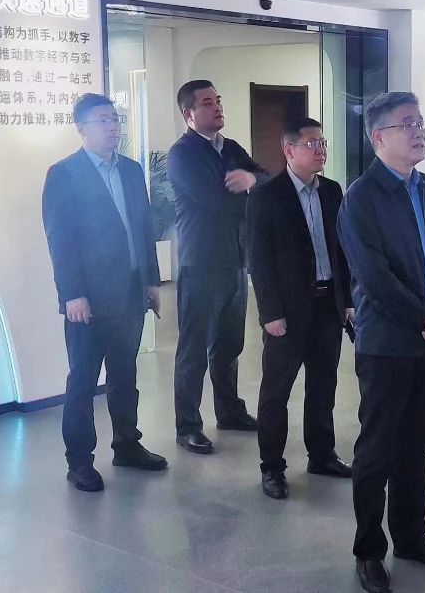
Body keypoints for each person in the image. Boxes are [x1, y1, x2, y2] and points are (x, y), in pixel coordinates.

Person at [338, 92, 425, 593]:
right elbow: (374, 277)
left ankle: (411, 537)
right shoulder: (361, 197)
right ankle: (369, 550)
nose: (419, 132)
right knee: (377, 452)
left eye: (420, 123)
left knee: (416, 446)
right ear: (379, 137)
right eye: (407, 124)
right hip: (387, 343)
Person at [41, 92, 168, 492]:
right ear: (81, 128)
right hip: (89, 300)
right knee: (82, 380)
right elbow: (60, 240)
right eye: (103, 120)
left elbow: (144, 229)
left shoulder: (130, 170)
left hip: (129, 291)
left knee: (125, 373)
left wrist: (151, 280)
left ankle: (127, 445)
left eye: (115, 119)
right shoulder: (64, 174)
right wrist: (72, 294)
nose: (113, 127)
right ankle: (79, 461)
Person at [247, 118, 355, 499]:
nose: (320, 149)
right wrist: (270, 313)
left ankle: (322, 455)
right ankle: (272, 467)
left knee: (323, 385)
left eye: (322, 142)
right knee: (276, 391)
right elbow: (258, 259)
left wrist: (348, 300)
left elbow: (342, 251)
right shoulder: (266, 195)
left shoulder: (332, 191)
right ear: (288, 150)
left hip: (328, 305)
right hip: (288, 312)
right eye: (311, 143)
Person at [168, 79, 268, 455]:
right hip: (201, 263)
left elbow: (267, 180)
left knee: (229, 344)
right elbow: (216, 200)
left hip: (235, 262)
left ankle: (229, 412)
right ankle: (188, 426)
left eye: (218, 100)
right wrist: (250, 191)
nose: (217, 107)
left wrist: (251, 179)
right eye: (207, 103)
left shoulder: (232, 147)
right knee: (194, 349)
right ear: (189, 114)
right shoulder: (182, 155)